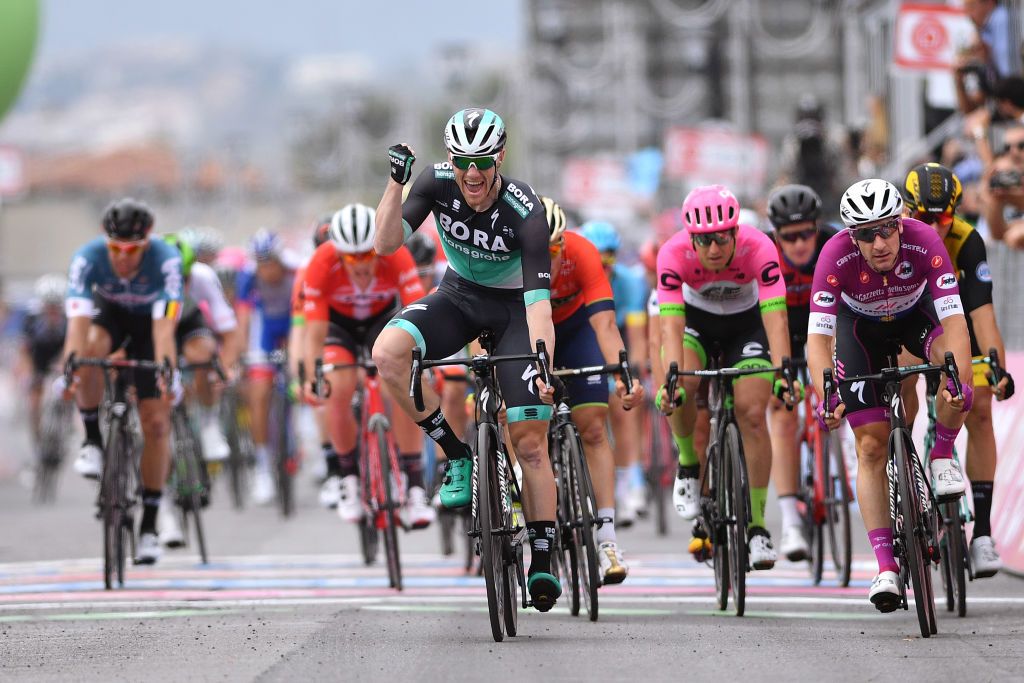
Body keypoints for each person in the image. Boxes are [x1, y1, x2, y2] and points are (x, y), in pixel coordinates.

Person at [372, 107, 563, 611]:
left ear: (499, 157)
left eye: (482, 161)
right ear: (451, 159)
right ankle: (457, 455)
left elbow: (540, 306)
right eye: (462, 161)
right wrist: (396, 185)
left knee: (529, 441)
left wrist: (544, 366)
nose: (472, 174)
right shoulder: (436, 184)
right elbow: (385, 243)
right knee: (388, 354)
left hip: (517, 311)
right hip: (458, 296)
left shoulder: (527, 211)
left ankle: (543, 553)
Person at [807, 179, 974, 611]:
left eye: (886, 229)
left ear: (901, 223)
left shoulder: (924, 240)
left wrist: (958, 379)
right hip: (859, 330)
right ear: (851, 236)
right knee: (870, 445)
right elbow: (818, 339)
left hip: (914, 320)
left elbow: (954, 320)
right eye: (865, 234)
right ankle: (886, 567)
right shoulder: (834, 255)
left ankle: (940, 455)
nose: (879, 242)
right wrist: (826, 391)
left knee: (955, 374)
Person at [657, 184, 797, 571]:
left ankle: (756, 526)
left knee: (752, 412)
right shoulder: (672, 253)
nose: (714, 249)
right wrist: (669, 379)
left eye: (722, 238)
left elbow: (776, 316)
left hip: (746, 327)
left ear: (736, 232)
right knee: (682, 384)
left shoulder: (760, 248)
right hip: (697, 324)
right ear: (691, 238)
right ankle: (688, 463)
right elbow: (669, 328)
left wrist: (784, 371)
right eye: (704, 241)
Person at [901, 163, 1013, 577]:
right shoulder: (893, 238)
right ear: (907, 213)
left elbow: (982, 316)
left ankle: (981, 533)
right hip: (909, 324)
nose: (934, 226)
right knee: (902, 384)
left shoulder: (966, 240)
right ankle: (905, 469)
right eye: (924, 218)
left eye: (943, 218)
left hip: (956, 327)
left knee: (980, 407)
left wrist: (996, 365)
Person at [61, 198, 183, 565]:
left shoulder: (166, 259)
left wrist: (166, 368)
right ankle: (93, 442)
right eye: (116, 249)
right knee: (89, 350)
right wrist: (73, 362)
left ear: (147, 242)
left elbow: (165, 329)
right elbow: (77, 326)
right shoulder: (88, 257)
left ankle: (148, 527)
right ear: (106, 241)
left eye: (132, 250)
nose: (123, 257)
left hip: (150, 328)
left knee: (157, 424)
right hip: (109, 318)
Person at [301, 204, 434, 529]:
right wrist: (312, 374)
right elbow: (314, 331)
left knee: (402, 386)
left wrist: (425, 363)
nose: (361, 264)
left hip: (383, 320)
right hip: (339, 328)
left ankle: (414, 486)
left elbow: (419, 312)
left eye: (367, 255)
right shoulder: (321, 263)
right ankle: (348, 479)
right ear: (338, 252)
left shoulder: (396, 255)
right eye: (352, 257)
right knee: (339, 388)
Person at [544, 197, 643, 583]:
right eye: (540, 250)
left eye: (554, 249)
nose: (547, 258)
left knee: (594, 427)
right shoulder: (510, 259)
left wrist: (621, 374)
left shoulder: (582, 253)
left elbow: (604, 324)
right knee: (522, 420)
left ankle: (606, 539)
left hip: (577, 330)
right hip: (527, 332)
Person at [764, 184, 839, 562]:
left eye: (806, 233)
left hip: (824, 327)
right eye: (788, 237)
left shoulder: (834, 243)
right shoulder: (765, 253)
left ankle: (839, 462)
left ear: (818, 227)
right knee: (782, 408)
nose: (798, 244)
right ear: (775, 234)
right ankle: (792, 520)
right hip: (781, 329)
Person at [578, 220, 650, 527]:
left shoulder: (631, 283)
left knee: (623, 404)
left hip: (616, 335)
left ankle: (629, 478)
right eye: (596, 258)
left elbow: (636, 335)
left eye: (609, 258)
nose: (603, 266)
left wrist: (633, 367)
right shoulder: (574, 278)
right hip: (583, 336)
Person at [235, 229, 296, 505]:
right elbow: (244, 320)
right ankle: (262, 466)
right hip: (265, 332)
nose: (265, 269)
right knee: (258, 394)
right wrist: (240, 357)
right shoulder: (248, 278)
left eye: (269, 262)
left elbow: (307, 315)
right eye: (260, 263)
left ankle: (303, 440)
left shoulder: (296, 271)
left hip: (294, 324)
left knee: (301, 378)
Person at [22, 274, 68, 445]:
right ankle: (37, 436)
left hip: (62, 351)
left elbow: (71, 344)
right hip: (39, 354)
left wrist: (62, 364)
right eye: (49, 307)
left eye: (56, 307)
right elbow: (25, 349)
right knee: (34, 396)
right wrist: (29, 372)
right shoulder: (31, 318)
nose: (52, 312)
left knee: (68, 384)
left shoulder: (69, 317)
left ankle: (66, 423)